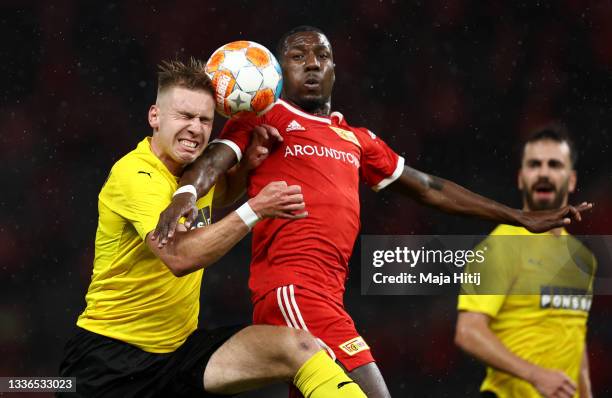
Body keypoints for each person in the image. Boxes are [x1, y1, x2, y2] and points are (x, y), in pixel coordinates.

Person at [151, 27, 591, 398]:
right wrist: (185, 194)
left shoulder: (356, 139)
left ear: (334, 71)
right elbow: (214, 160)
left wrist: (518, 216)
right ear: (277, 72)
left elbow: (429, 188)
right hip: (293, 290)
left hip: (329, 294)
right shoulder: (266, 119)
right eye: (297, 55)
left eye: (321, 55)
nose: (311, 63)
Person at [58, 58, 368, 397]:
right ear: (154, 117)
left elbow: (220, 195)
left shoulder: (192, 172)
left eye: (205, 120)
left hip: (179, 353)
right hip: (107, 360)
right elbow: (179, 257)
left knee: (299, 348)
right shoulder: (135, 175)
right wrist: (255, 210)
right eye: (185, 116)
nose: (196, 128)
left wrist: (247, 165)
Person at [455, 127, 595, 398]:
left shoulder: (583, 258)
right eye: (534, 164)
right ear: (521, 178)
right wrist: (535, 375)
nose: (543, 172)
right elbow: (468, 331)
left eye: (554, 164)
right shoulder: (500, 245)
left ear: (571, 180)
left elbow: (576, 340)